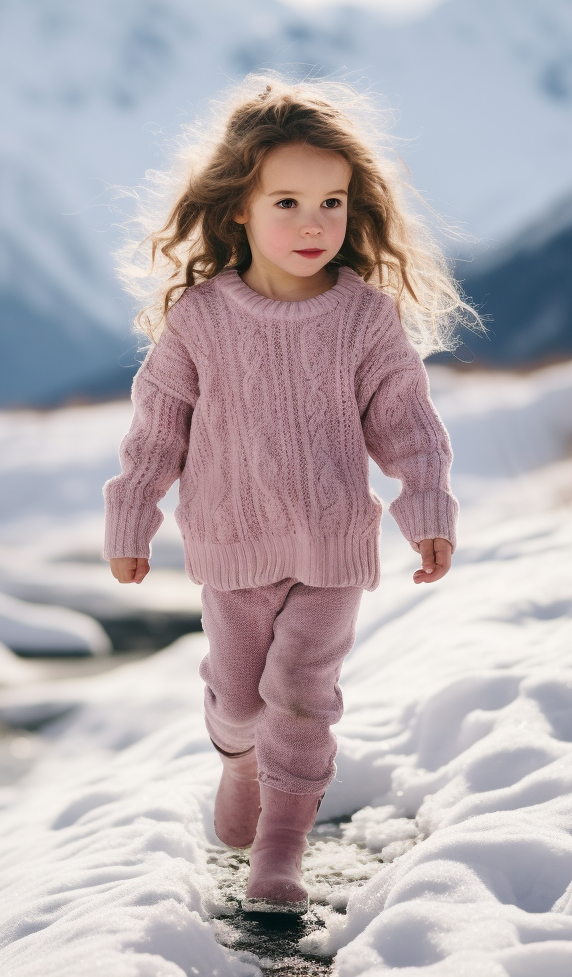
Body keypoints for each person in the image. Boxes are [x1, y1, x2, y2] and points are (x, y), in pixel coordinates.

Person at [102, 76, 477, 913]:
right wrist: (133, 515)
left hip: (333, 546)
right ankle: (237, 758)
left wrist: (426, 510)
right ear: (238, 208)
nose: (314, 225)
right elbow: (159, 428)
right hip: (232, 545)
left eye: (333, 203)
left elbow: (409, 426)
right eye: (287, 202)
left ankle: (281, 855)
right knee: (241, 700)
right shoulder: (200, 319)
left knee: (303, 697)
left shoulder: (364, 320)